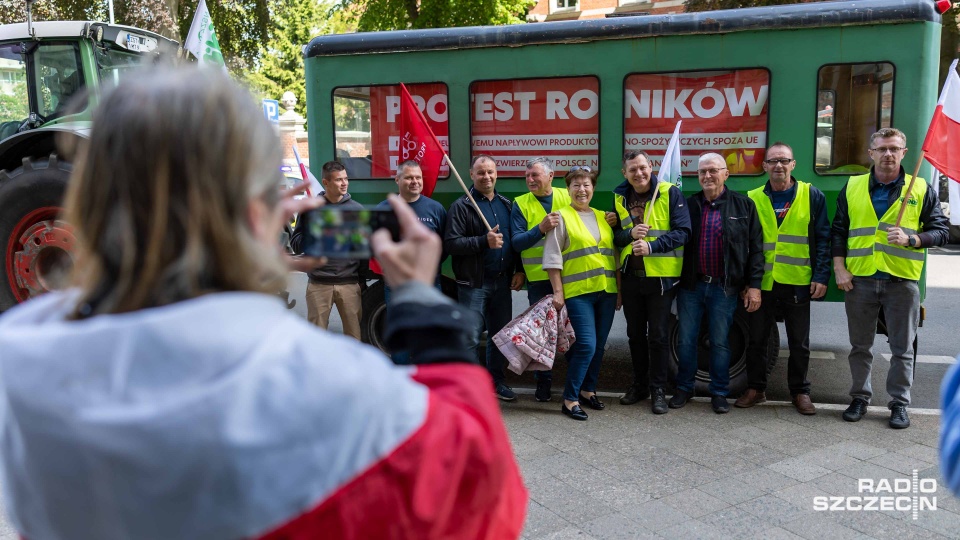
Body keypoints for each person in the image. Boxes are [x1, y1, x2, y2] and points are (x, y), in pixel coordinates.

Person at [0, 67, 527, 539]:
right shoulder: (338, 390)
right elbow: (485, 498)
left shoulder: (19, 361)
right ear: (259, 211)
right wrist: (418, 301)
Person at [832, 127, 949, 429]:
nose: (887, 154)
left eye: (893, 149)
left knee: (902, 349)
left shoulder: (920, 188)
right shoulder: (853, 186)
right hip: (861, 281)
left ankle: (899, 405)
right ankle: (859, 398)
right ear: (870, 153)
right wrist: (839, 268)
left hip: (901, 283)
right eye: (882, 149)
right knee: (860, 346)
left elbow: (942, 232)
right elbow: (838, 232)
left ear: (903, 153)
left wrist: (913, 239)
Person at [736, 142, 830, 415]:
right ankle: (756, 389)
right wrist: (746, 284)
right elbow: (744, 244)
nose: (778, 165)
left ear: (793, 165)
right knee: (757, 339)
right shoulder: (752, 197)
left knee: (799, 342)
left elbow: (823, 238)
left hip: (798, 280)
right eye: (773, 161)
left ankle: (800, 392)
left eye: (784, 160)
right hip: (761, 284)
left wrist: (821, 275)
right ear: (764, 166)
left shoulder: (812, 195)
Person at [672, 152, 764, 414]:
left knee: (721, 342)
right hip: (691, 286)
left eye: (713, 170)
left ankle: (719, 393)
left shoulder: (743, 205)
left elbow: (756, 248)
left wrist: (753, 284)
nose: (707, 176)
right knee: (686, 340)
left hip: (725, 288)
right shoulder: (688, 206)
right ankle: (684, 389)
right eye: (702, 172)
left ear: (726, 174)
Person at [610, 151, 690, 415]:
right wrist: (629, 233)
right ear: (625, 173)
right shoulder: (619, 197)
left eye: (643, 168)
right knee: (634, 336)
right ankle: (639, 385)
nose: (639, 173)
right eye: (633, 169)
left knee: (658, 336)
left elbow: (683, 232)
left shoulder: (669, 193)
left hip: (660, 280)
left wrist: (653, 246)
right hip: (632, 279)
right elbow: (616, 238)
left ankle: (658, 389)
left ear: (651, 167)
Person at [444, 155, 525, 401]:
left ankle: (496, 382)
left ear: (496, 173)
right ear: (471, 175)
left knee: (499, 337)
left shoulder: (506, 204)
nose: (486, 177)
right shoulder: (462, 206)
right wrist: (483, 242)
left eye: (490, 172)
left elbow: (516, 241)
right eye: (481, 173)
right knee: (470, 337)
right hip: (473, 284)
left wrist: (519, 269)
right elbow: (452, 243)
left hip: (502, 282)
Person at [543, 167, 617, 421]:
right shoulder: (560, 217)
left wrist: (619, 291)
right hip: (578, 293)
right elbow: (553, 258)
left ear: (593, 188)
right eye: (576, 185)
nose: (581, 190)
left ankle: (588, 390)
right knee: (586, 345)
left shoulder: (602, 217)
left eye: (586, 185)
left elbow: (612, 256)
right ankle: (570, 399)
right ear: (568, 189)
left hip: (606, 291)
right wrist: (557, 292)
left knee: (598, 348)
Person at [510, 157, 570, 402]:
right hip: (539, 281)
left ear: (551, 176)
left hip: (570, 277)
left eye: (535, 175)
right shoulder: (521, 203)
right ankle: (543, 385)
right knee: (542, 336)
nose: (530, 180)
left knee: (572, 333)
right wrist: (540, 229)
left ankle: (574, 386)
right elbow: (516, 242)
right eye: (527, 176)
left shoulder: (568, 196)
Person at [376, 160, 447, 363]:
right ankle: (401, 380)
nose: (414, 181)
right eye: (408, 177)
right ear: (397, 180)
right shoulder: (384, 209)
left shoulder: (435, 209)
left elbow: (442, 246)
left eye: (418, 177)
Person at [289, 161, 364, 339]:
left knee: (354, 338)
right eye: (339, 180)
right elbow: (296, 243)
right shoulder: (310, 210)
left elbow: (362, 250)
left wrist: (360, 281)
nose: (344, 183)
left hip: (349, 284)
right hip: (318, 284)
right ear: (326, 182)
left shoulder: (356, 210)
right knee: (316, 338)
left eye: (346, 179)